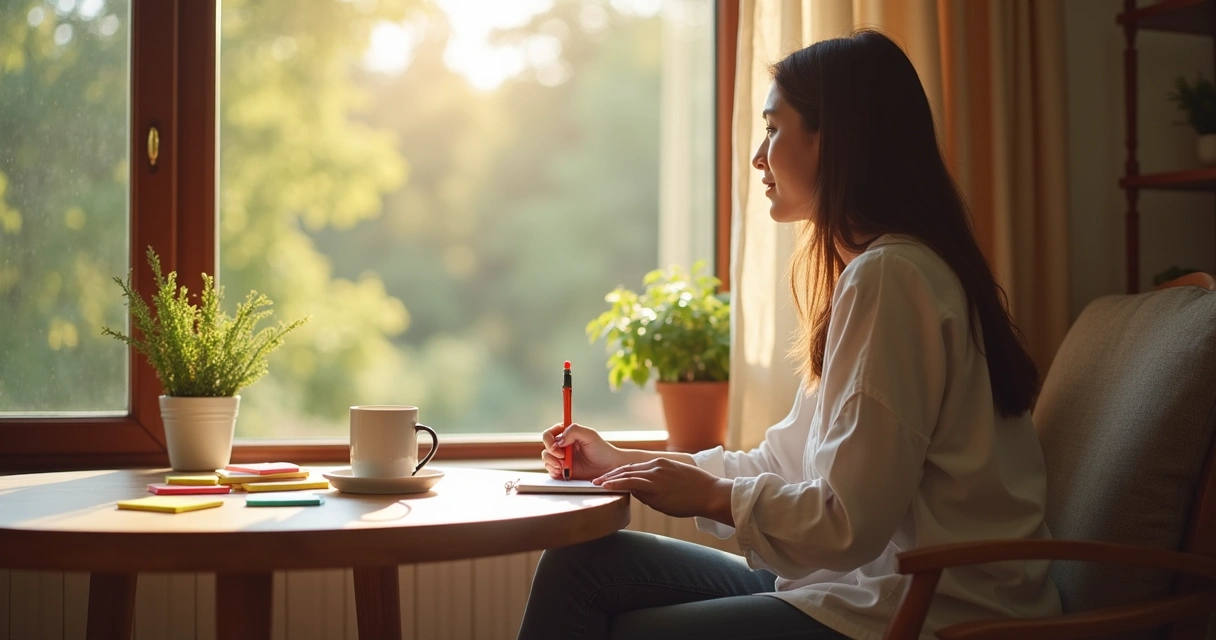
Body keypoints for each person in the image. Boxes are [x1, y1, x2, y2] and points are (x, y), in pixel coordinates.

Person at [517, 30, 1062, 640]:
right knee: (581, 566)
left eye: (774, 128)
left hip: (927, 608)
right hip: (861, 587)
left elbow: (848, 523)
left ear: (834, 139)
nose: (758, 155)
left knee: (635, 626)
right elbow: (785, 460)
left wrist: (709, 497)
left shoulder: (892, 278)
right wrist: (627, 462)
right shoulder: (883, 272)